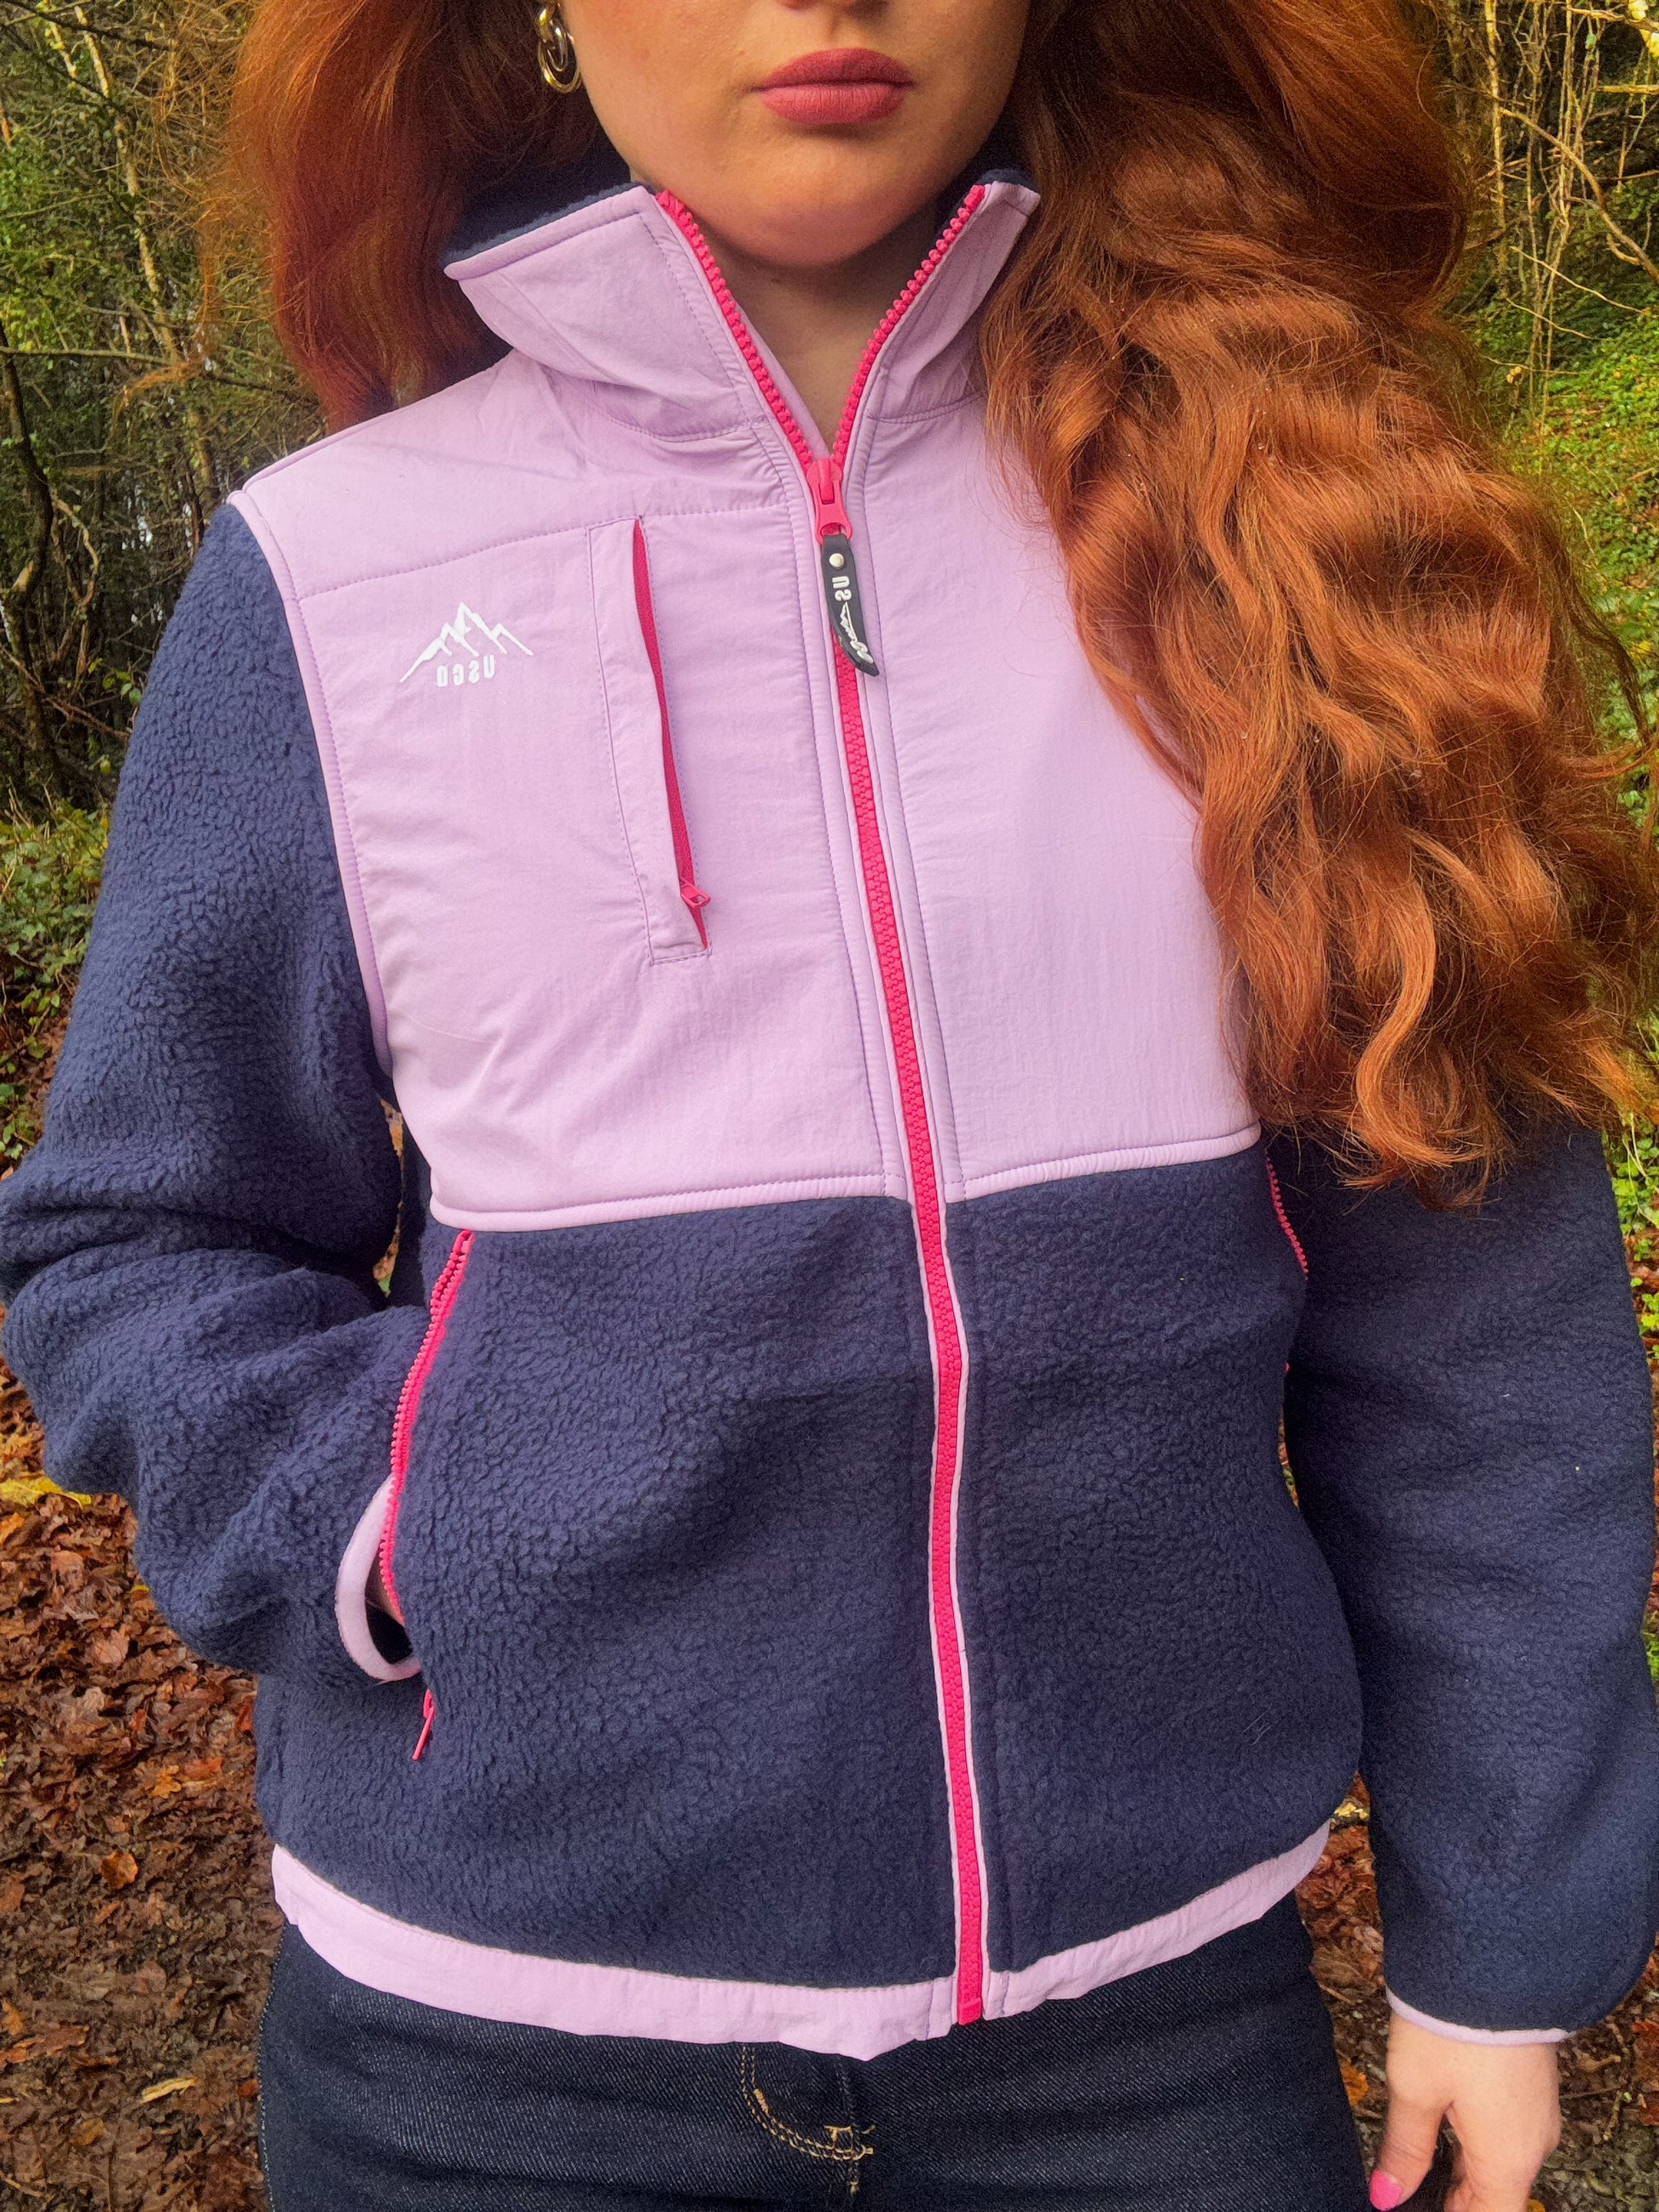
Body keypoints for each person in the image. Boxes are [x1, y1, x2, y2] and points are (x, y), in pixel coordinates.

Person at [2, 0, 1656, 2205]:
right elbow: (144, 1230)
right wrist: (395, 1517)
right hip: (487, 2082)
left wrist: (1504, 1933)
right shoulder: (336, 575)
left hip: (1146, 2053)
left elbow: (1469, 1298)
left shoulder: (1285, 546)